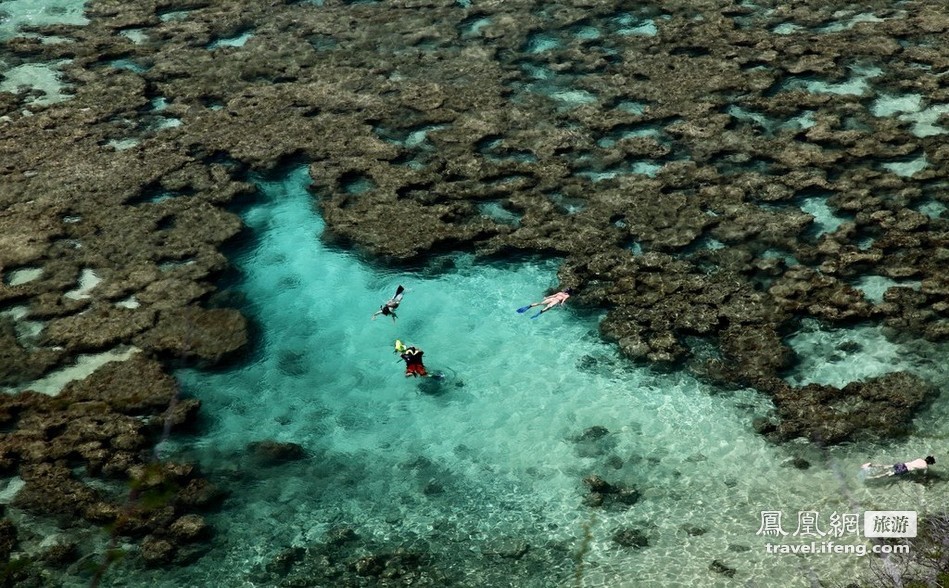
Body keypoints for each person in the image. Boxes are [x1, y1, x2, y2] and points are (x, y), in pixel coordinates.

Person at [860, 456, 935, 480]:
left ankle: (871, 465)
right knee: (887, 474)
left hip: (902, 464)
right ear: (930, 463)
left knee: (886, 466)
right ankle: (871, 478)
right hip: (904, 470)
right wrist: (924, 478)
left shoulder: (920, 459)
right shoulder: (925, 467)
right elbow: (924, 475)